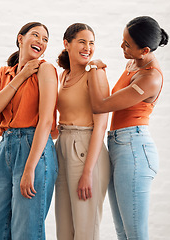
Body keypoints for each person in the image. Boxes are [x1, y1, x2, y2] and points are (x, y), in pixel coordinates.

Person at [87, 16, 169, 239]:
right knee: (122, 230)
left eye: (127, 45)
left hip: (134, 150)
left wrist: (94, 68)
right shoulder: (132, 64)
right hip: (120, 146)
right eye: (122, 40)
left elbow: (100, 105)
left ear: (144, 50)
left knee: (135, 233)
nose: (121, 46)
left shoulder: (150, 78)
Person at [0, 22, 58, 240]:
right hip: (6, 148)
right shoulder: (4, 73)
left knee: (26, 233)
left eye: (45, 39)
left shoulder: (45, 69)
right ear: (20, 38)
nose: (41, 42)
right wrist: (21, 76)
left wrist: (30, 168)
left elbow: (45, 121)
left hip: (34, 149)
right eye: (36, 35)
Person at [55, 23, 110, 240]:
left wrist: (88, 172)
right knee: (64, 228)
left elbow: (101, 125)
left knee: (86, 230)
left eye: (91, 43)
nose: (88, 47)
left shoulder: (95, 74)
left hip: (86, 149)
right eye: (82, 42)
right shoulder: (63, 76)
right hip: (63, 146)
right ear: (66, 44)